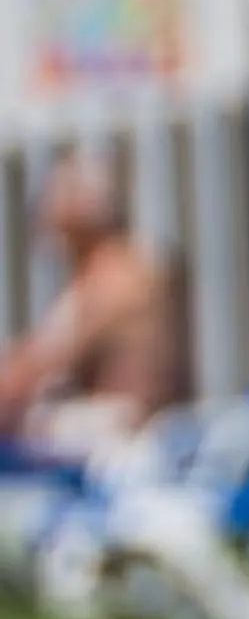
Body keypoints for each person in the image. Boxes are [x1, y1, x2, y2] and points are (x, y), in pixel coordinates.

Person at [0, 151, 179, 459]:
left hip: (124, 438)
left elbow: (34, 368)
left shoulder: (108, 281)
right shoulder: (140, 264)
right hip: (148, 428)